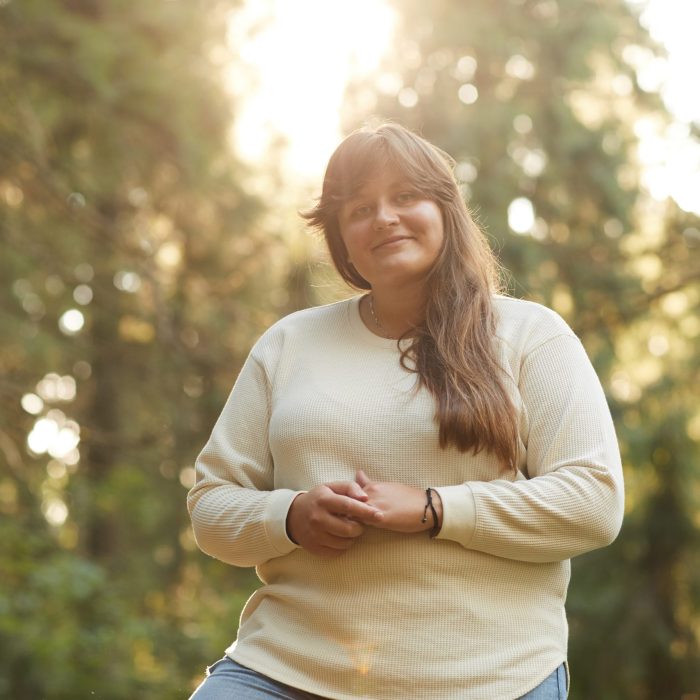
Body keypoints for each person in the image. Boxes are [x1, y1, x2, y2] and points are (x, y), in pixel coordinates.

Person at [187, 122, 624, 700]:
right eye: (360, 208)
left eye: (406, 196)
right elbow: (211, 505)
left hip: (493, 676)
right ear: (341, 238)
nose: (385, 217)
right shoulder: (289, 344)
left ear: (445, 210)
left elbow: (593, 501)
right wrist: (290, 517)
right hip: (286, 671)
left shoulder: (529, 335)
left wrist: (436, 508)